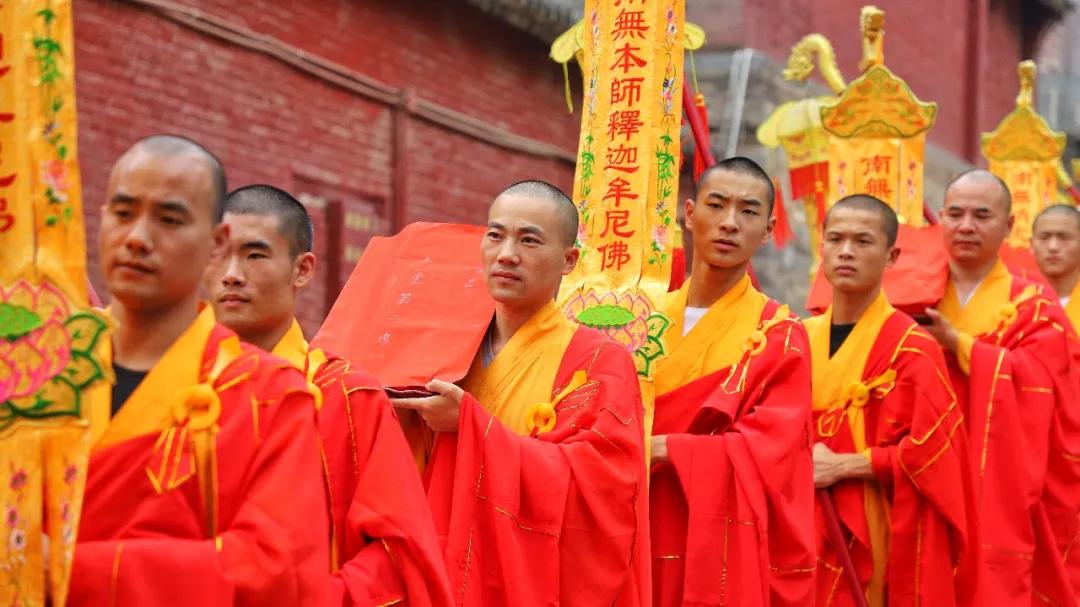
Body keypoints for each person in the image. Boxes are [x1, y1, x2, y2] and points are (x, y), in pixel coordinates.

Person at [69, 136, 329, 605]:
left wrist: (68, 570)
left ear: (215, 243)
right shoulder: (38, 374)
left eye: (169, 220)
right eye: (123, 213)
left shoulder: (269, 396)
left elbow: (273, 568)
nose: (138, 239)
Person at [389, 180, 649, 606]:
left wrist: (472, 426)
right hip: (439, 563)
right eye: (495, 235)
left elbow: (602, 491)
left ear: (569, 260)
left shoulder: (599, 361)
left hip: (529, 581)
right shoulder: (446, 348)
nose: (507, 254)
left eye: (529, 240)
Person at [204, 184, 453, 606]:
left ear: (302, 269)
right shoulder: (178, 385)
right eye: (218, 255)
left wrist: (316, 597)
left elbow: (399, 550)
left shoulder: (346, 396)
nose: (231, 273)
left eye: (254, 255)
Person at [649, 157, 816, 606]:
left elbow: (774, 452)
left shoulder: (778, 335)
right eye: (717, 205)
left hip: (714, 540)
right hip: (634, 519)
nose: (728, 223)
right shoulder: (639, 320)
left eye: (748, 211)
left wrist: (665, 448)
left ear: (768, 229)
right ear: (688, 212)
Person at [806, 194, 975, 606]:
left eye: (863, 241)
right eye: (836, 239)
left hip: (870, 523)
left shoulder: (912, 347)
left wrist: (845, 465)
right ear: (822, 246)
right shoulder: (794, 338)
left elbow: (934, 453)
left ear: (891, 255)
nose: (846, 251)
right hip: (796, 520)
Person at [925, 170, 1080, 606]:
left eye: (981, 215)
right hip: (923, 472)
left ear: (1009, 226)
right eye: (955, 214)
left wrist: (961, 345)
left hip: (1001, 484)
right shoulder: (916, 295)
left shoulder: (1036, 306)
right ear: (940, 218)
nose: (966, 225)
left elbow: (1047, 389)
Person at [1031, 203, 1080, 331]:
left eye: (1064, 238)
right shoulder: (1019, 301)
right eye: (1044, 237)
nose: (1053, 247)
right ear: (1031, 245)